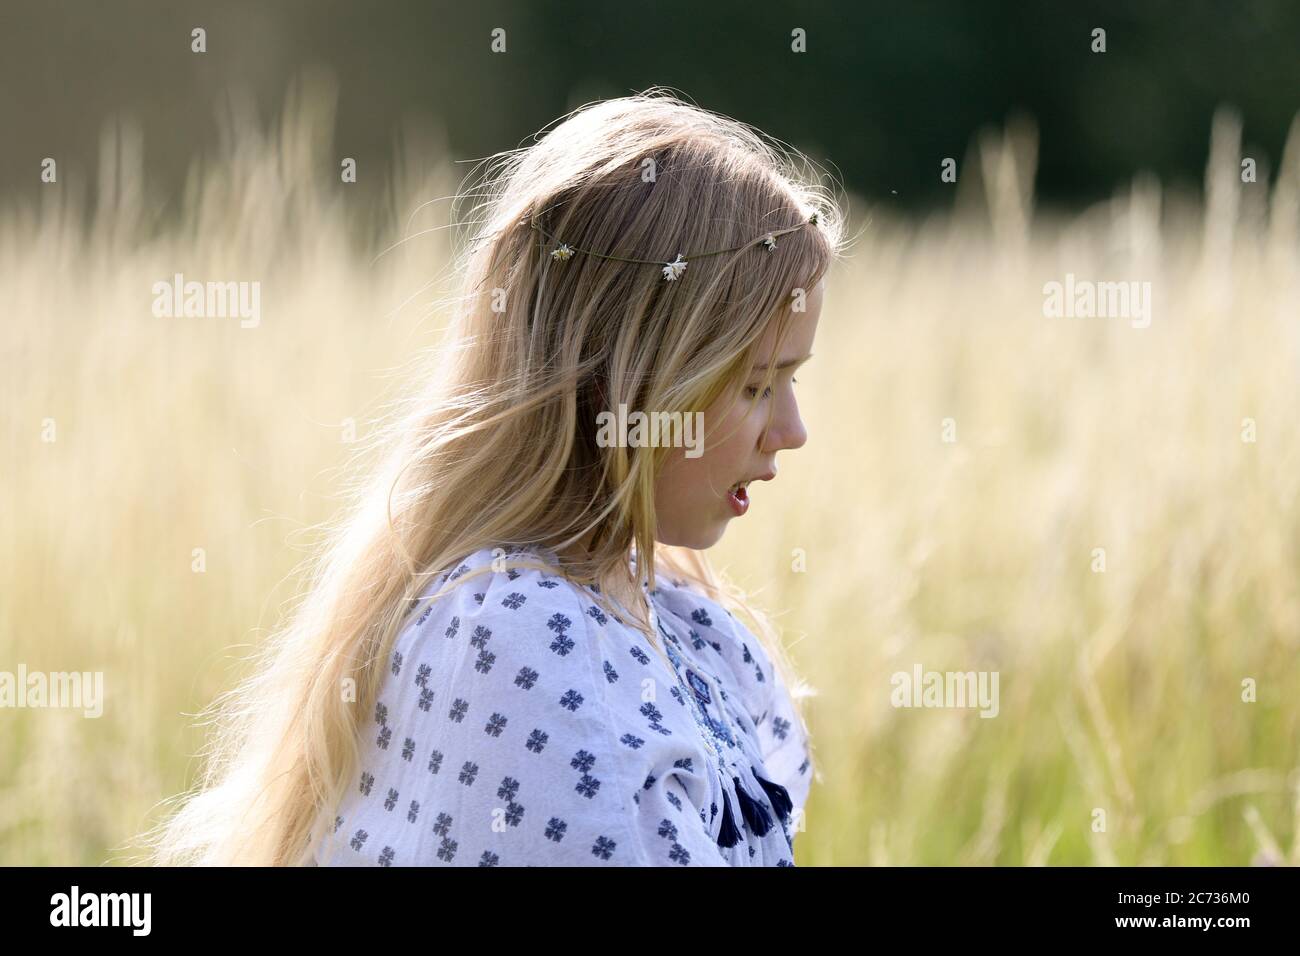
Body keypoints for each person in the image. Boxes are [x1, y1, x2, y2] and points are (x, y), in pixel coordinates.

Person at [143, 88, 843, 865]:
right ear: (630, 380)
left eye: (790, 382)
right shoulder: (514, 636)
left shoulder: (678, 620)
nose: (791, 432)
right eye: (754, 386)